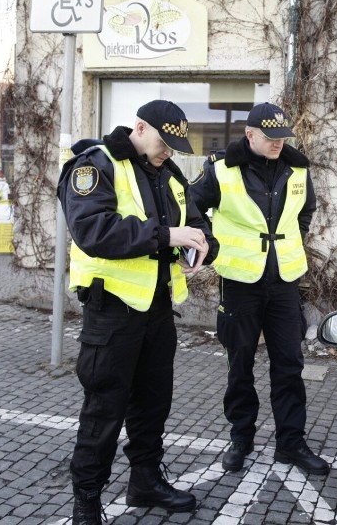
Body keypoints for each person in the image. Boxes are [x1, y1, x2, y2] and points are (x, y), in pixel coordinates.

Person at [56, 100, 219, 524]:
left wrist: (201, 246)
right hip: (112, 312)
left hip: (159, 308)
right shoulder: (95, 165)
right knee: (104, 409)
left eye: (175, 145)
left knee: (152, 404)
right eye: (165, 142)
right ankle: (86, 504)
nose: (169, 151)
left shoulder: (170, 173)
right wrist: (167, 234)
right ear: (140, 127)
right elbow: (93, 230)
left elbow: (198, 224)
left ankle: (144, 482)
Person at [188, 102, 327, 475]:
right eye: (270, 137)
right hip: (240, 284)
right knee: (240, 366)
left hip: (284, 283)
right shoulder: (222, 169)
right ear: (249, 135)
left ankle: (291, 444)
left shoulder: (297, 168)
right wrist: (208, 241)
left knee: (289, 366)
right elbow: (189, 205)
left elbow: (306, 211)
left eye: (283, 136)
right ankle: (241, 438)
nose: (278, 143)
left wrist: (291, 242)